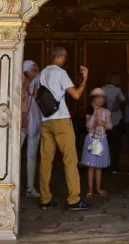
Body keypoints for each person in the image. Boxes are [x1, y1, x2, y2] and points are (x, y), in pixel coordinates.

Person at [37, 46, 91, 211]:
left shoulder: (42, 73)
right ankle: (74, 199)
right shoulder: (60, 73)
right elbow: (75, 94)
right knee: (70, 159)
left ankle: (45, 199)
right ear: (63, 56)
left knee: (46, 161)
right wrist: (85, 80)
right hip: (60, 119)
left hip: (46, 119)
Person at [81, 88, 111, 198]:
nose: (101, 100)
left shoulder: (106, 111)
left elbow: (110, 126)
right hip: (92, 139)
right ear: (94, 99)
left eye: (102, 97)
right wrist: (94, 113)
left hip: (102, 139)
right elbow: (88, 126)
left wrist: (103, 124)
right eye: (99, 97)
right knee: (91, 166)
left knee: (99, 166)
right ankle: (90, 189)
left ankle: (98, 188)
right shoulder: (89, 111)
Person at [20, 60, 41, 197]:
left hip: (34, 119)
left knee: (31, 156)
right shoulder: (19, 81)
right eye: (32, 70)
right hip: (21, 120)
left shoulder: (36, 83)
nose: (35, 73)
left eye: (36, 70)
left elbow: (36, 99)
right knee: (16, 154)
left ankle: (30, 187)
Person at [102, 73, 126, 174]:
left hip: (104, 119)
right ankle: (115, 167)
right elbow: (123, 100)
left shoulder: (102, 89)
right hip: (116, 119)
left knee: (105, 143)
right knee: (116, 145)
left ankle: (104, 166)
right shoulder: (118, 90)